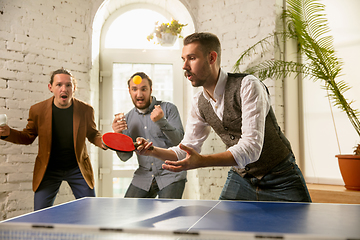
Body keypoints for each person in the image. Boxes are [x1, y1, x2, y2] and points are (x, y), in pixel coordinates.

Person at [135, 32, 312, 202]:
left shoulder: (248, 86)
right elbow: (186, 149)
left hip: (281, 177)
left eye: (192, 58)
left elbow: (251, 148)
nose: (184, 66)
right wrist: (152, 151)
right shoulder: (199, 102)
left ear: (212, 58)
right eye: (183, 59)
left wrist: (201, 161)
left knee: (304, 230)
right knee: (219, 231)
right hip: (241, 178)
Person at [0, 68, 107, 210]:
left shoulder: (86, 110)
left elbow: (93, 134)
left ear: (74, 88)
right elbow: (27, 137)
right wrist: (8, 133)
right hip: (49, 169)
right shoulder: (37, 110)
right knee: (40, 214)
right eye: (59, 85)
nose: (64, 89)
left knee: (91, 210)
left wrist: (104, 142)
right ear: (51, 88)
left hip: (77, 168)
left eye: (68, 85)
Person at [112, 72, 186, 199]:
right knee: (126, 211)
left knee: (168, 217)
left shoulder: (168, 109)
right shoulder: (128, 119)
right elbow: (125, 157)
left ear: (151, 90)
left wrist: (161, 121)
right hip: (143, 176)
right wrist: (118, 136)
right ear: (129, 91)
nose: (139, 94)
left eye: (144, 89)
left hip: (171, 174)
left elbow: (180, 143)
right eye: (134, 89)